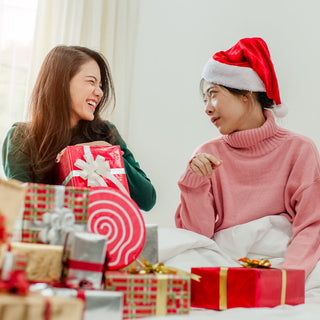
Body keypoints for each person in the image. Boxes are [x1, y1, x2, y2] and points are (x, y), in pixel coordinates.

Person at [175, 37, 320, 278]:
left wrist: (287, 278)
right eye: (204, 99)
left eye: (213, 94)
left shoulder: (300, 149)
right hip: (223, 262)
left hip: (285, 262)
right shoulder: (206, 155)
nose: (207, 108)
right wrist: (194, 186)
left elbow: (311, 226)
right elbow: (196, 239)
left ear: (245, 93)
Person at [2, 45, 156, 211]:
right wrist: (76, 155)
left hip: (103, 232)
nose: (100, 92)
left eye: (101, 85)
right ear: (61, 83)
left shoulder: (106, 132)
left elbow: (147, 199)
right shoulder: (21, 136)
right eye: (91, 81)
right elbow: (24, 208)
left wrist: (105, 153)